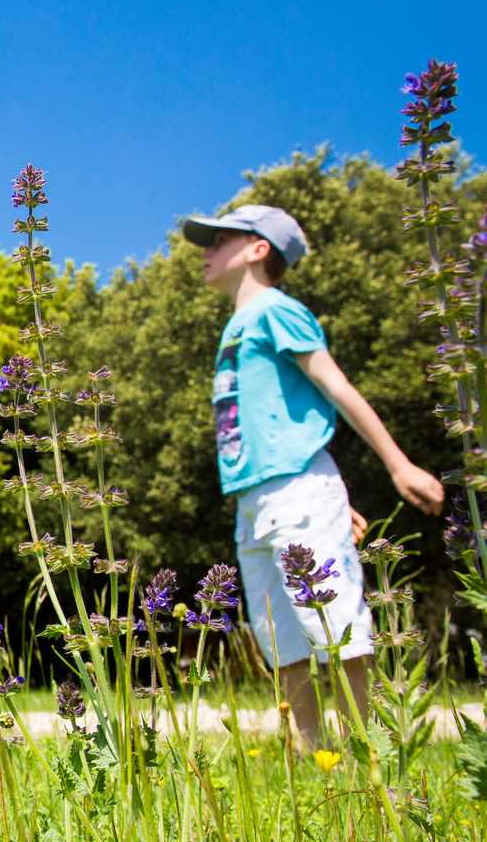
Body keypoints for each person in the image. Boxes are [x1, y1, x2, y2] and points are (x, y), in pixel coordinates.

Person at [184, 204, 443, 749]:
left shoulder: (276, 310)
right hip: (256, 499)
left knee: (332, 621)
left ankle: (367, 754)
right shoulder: (236, 325)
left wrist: (397, 464)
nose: (206, 252)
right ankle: (312, 757)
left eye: (218, 240)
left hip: (298, 486)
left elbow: (336, 387)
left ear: (258, 249)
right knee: (280, 635)